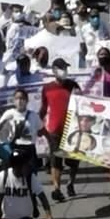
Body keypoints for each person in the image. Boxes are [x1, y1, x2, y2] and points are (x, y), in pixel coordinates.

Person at [40, 59, 82, 201]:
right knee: (55, 159)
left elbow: (82, 103)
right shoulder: (47, 88)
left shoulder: (72, 85)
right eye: (61, 67)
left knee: (74, 160)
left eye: (66, 67)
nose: (64, 70)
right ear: (54, 70)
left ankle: (70, 183)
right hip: (54, 129)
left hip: (72, 128)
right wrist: (40, 125)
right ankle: (56, 188)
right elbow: (43, 108)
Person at [0, 87, 44, 163]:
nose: (19, 101)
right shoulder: (9, 113)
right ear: (14, 101)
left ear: (27, 100)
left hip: (29, 149)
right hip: (15, 147)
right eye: (17, 98)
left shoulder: (33, 115)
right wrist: (5, 120)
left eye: (22, 98)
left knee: (29, 172)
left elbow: (41, 130)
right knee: (16, 172)